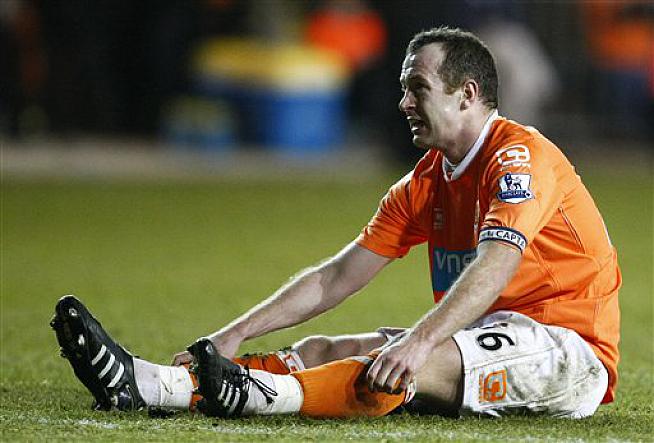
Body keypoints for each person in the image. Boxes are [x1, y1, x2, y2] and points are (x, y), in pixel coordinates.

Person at [51, 26, 620, 419]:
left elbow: (497, 263)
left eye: (417, 88)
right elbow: (335, 277)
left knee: (395, 367)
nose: (404, 103)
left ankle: (252, 397)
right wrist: (236, 333)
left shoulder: (518, 157)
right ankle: (152, 383)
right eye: (403, 89)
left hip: (567, 350)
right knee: (325, 350)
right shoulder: (427, 180)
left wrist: (421, 340)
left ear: (467, 94)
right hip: (481, 338)